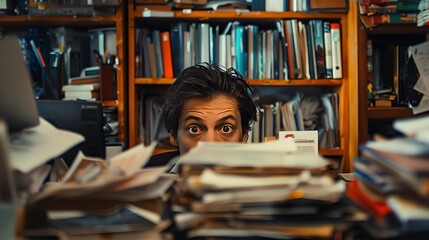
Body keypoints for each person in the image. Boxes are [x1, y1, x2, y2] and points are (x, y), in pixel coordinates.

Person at [145, 62, 258, 168]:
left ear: (244, 135)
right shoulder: (144, 175)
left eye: (226, 129)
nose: (210, 144)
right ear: (174, 135)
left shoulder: (264, 183)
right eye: (194, 129)